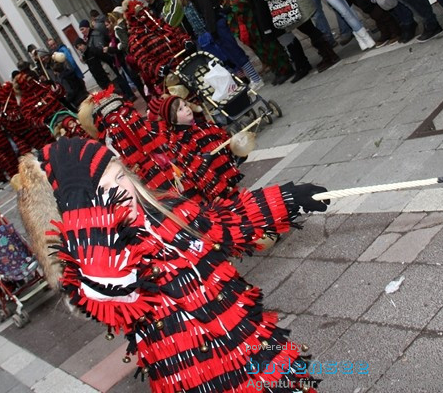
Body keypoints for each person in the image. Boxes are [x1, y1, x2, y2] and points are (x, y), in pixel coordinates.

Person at [17, 137, 327, 391]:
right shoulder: (95, 264)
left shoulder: (164, 208)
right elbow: (111, 290)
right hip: (199, 375)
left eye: (120, 176)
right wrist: (83, 215)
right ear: (82, 206)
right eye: (104, 189)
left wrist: (287, 199)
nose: (121, 190)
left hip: (248, 339)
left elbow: (223, 224)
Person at [173, 0, 265, 89]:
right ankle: (253, 78)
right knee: (232, 52)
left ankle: (255, 78)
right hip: (217, 23)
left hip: (217, 24)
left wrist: (212, 31)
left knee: (235, 52)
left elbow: (208, 12)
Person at [230, 0, 306, 84]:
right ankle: (299, 65)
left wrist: (265, 24)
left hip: (268, 15)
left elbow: (259, 1)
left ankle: (301, 65)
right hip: (264, 16)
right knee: (284, 39)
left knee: (287, 39)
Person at [214, 0, 294, 84]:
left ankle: (285, 69)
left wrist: (231, 8)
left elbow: (246, 1)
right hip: (243, 28)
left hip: (253, 23)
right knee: (260, 51)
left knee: (270, 47)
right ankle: (276, 71)